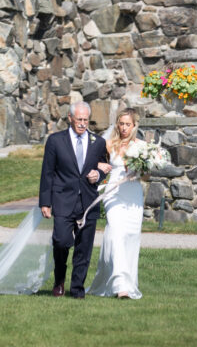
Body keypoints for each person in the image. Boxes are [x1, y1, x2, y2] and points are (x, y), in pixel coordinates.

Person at [38, 100, 108, 299]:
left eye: (86, 120)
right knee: (60, 241)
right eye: (79, 119)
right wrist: (45, 202)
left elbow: (104, 167)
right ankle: (59, 280)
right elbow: (47, 173)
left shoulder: (98, 142)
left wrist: (99, 176)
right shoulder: (55, 141)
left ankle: (77, 288)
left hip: (88, 201)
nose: (82, 124)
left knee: (84, 249)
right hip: (62, 200)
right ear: (70, 118)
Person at [87, 107, 145, 299]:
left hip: (133, 195)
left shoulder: (142, 147)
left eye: (128, 124)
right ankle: (121, 286)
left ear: (134, 125)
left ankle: (127, 282)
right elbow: (88, 160)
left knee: (130, 237)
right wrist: (98, 165)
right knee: (117, 234)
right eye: (121, 124)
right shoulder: (108, 144)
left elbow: (148, 174)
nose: (124, 128)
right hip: (113, 194)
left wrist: (139, 170)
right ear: (117, 124)